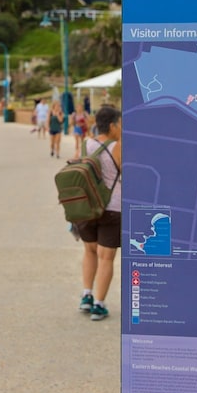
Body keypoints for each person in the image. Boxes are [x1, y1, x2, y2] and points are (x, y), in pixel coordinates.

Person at [74, 105, 122, 321]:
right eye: (119, 123)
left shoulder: (86, 144)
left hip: (88, 209)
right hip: (112, 208)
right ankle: (99, 305)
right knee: (106, 257)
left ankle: (87, 295)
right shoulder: (118, 146)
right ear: (112, 125)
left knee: (90, 251)